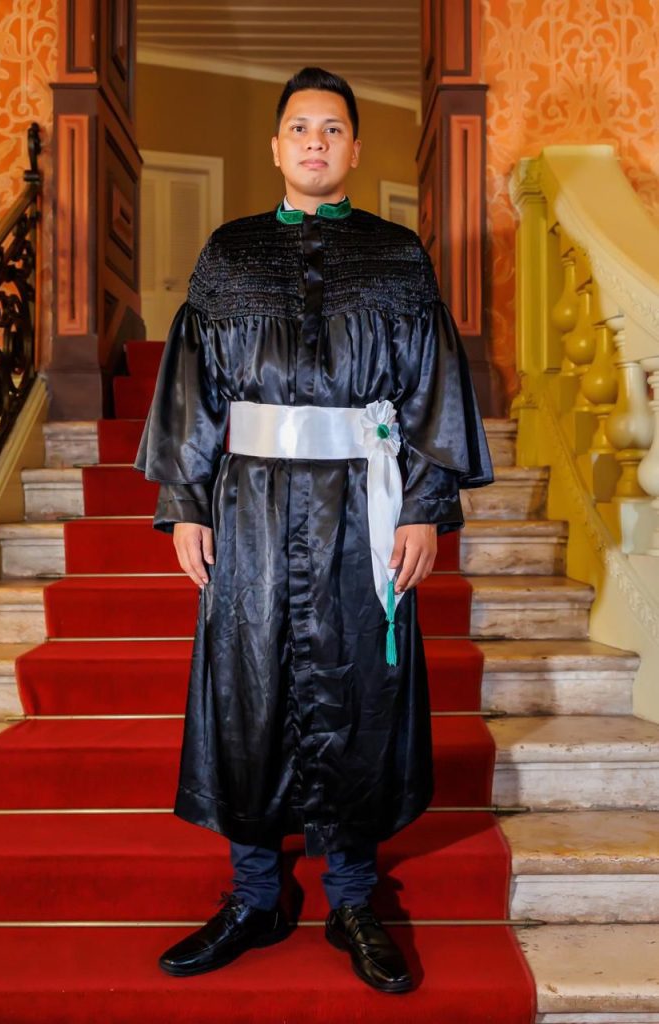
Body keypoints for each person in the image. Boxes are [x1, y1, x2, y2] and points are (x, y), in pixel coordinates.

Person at [134, 66, 494, 994]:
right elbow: (192, 390)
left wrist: (424, 508)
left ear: (354, 149)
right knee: (248, 690)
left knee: (360, 694)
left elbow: (431, 391)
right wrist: (184, 503)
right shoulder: (227, 254)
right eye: (300, 128)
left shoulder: (399, 256)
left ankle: (353, 898)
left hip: (364, 512)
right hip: (249, 511)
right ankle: (256, 896)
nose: (315, 144)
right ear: (277, 146)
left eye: (333, 129)